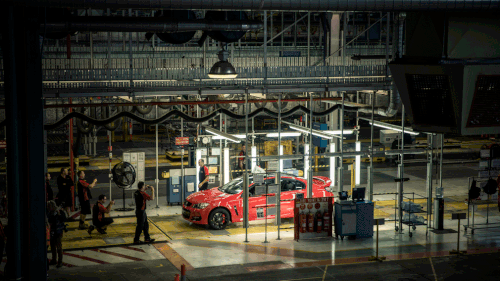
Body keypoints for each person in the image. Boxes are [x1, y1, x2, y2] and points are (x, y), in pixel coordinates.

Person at [47, 200, 67, 268]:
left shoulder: (59, 212)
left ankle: (60, 261)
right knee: (52, 246)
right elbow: (49, 220)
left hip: (58, 231)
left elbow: (64, 219)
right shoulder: (49, 213)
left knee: (58, 247)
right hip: (52, 231)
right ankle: (54, 259)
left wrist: (58, 214)